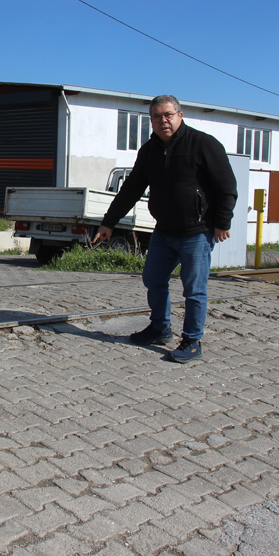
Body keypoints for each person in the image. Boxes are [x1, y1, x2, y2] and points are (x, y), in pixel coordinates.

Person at [93, 95, 237, 364]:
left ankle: (192, 341)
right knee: (153, 280)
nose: (163, 121)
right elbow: (131, 189)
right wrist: (108, 222)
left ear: (180, 115)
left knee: (194, 290)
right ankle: (160, 329)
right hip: (164, 232)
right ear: (151, 120)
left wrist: (222, 222)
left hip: (197, 232)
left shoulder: (203, 144)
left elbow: (226, 186)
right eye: (157, 116)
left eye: (168, 115)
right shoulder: (149, 151)